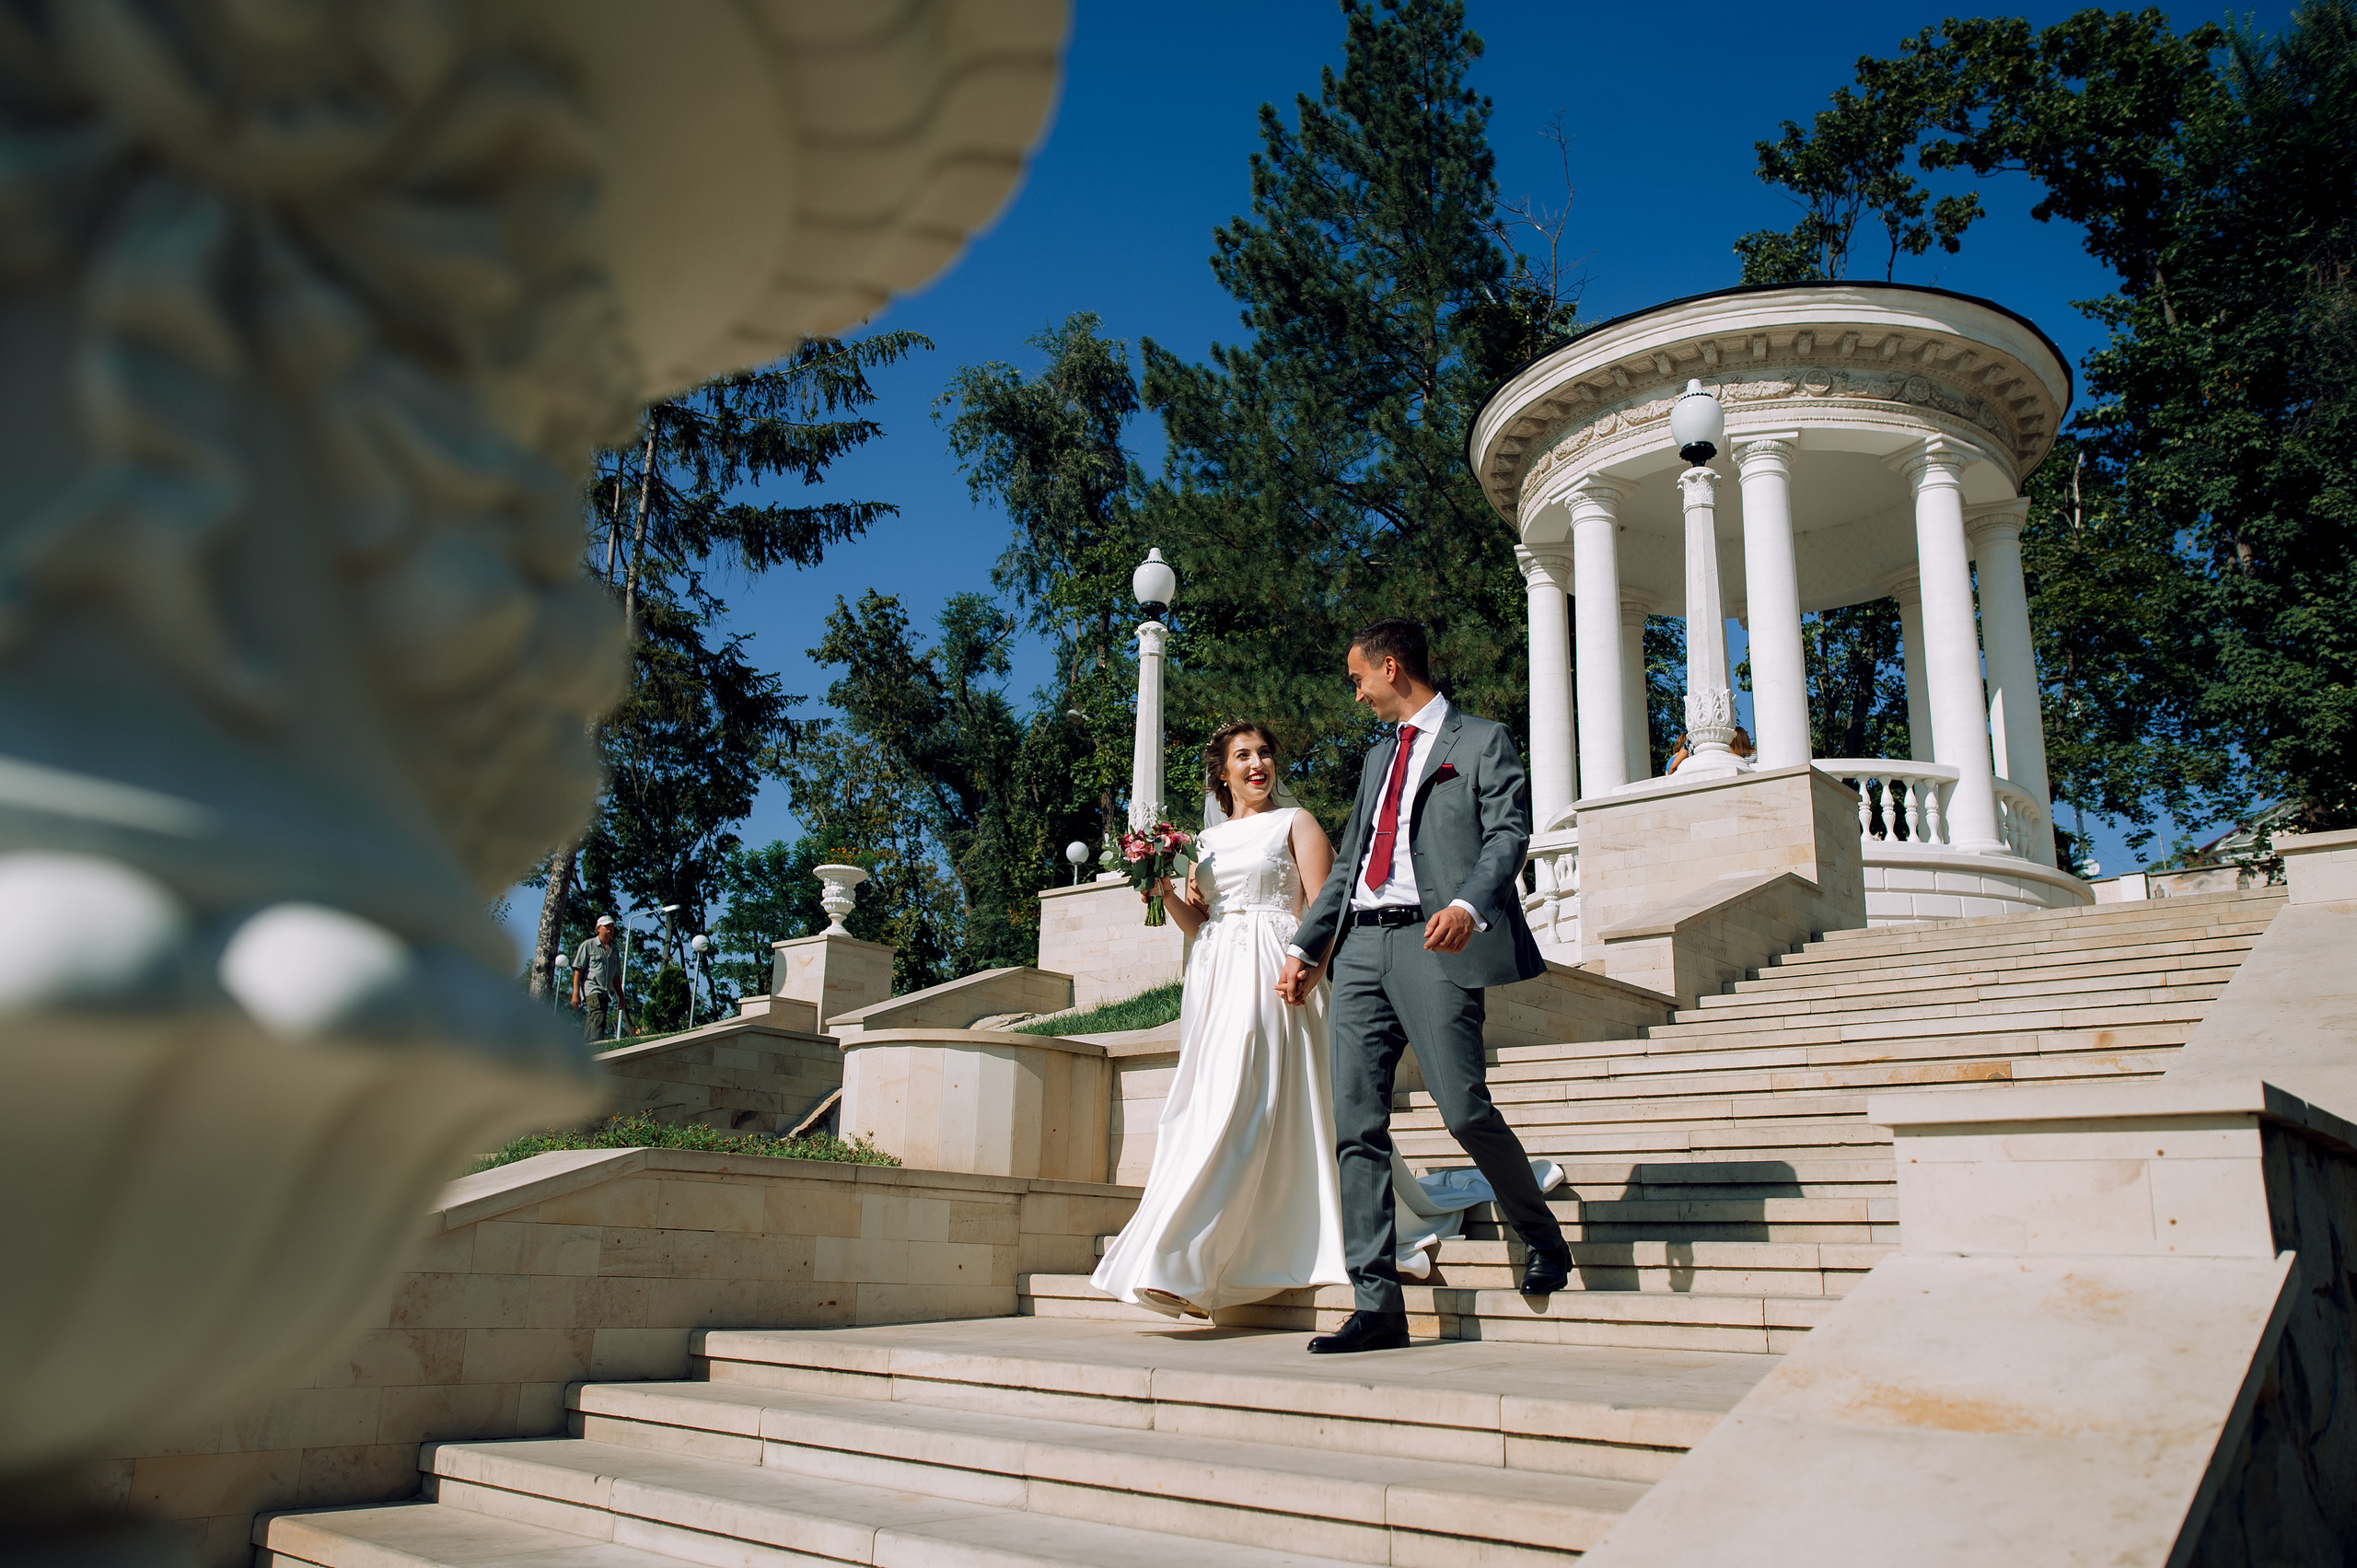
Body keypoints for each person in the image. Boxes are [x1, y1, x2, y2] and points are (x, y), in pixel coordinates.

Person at [1278, 618, 1572, 1355]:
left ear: (1390, 665)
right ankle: (1376, 1304)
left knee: (1464, 1108)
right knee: (1355, 1125)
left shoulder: (1481, 739)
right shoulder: (1378, 758)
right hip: (1363, 952)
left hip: (1436, 941)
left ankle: (1542, 1235)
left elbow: (1509, 832)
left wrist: (1470, 906)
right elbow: (1348, 865)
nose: (1357, 694)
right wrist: (1306, 947)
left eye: (1359, 679)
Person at [1091, 721, 1351, 1318]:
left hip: (1275, 968)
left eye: (1264, 753)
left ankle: (1182, 1262)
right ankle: (1193, 1252)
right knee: (1203, 1106)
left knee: (1243, 1100)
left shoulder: (1296, 822)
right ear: (1223, 772)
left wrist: (1307, 963)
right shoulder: (1202, 843)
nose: (1257, 763)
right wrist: (1160, 888)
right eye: (1244, 755)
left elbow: (1327, 907)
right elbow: (1200, 922)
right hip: (1214, 976)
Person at [570, 915, 624, 1043]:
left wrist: (621, 997)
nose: (610, 929)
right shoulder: (588, 945)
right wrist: (575, 994)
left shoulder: (615, 951)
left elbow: (616, 977)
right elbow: (578, 970)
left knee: (596, 1018)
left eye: (612, 927)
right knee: (598, 1016)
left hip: (606, 992)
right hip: (592, 989)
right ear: (599, 928)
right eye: (607, 926)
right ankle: (595, 1048)